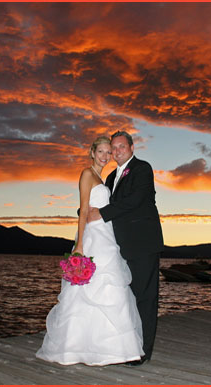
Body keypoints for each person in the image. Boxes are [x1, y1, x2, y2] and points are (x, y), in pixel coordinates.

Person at [36, 136, 144, 366]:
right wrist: (80, 245)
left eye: (109, 152)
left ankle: (111, 348)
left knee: (110, 288)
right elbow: (83, 210)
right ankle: (75, 347)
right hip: (93, 237)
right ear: (92, 152)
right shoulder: (87, 174)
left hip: (106, 236)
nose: (106, 156)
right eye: (102, 152)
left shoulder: (103, 178)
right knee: (85, 291)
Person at [87, 130, 163, 365]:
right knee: (126, 298)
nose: (117, 151)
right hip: (119, 245)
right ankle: (127, 346)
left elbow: (135, 200)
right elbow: (104, 203)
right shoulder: (111, 177)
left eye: (121, 146)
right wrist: (85, 214)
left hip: (142, 243)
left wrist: (102, 213)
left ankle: (143, 352)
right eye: (114, 148)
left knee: (145, 297)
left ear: (131, 148)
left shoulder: (142, 169)